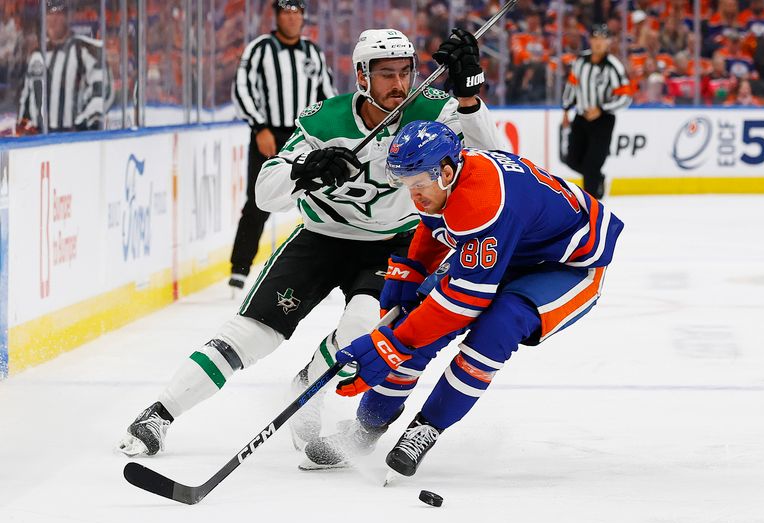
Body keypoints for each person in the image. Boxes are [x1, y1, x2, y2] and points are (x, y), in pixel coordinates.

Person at [118, 28, 505, 457]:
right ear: (362, 77)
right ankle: (160, 413)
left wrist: (470, 98)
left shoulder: (436, 110)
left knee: (360, 331)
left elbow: (497, 163)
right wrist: (305, 170)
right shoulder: (324, 121)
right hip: (321, 238)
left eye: (405, 72)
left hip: (392, 246)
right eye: (386, 74)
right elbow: (265, 192)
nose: (399, 85)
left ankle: (308, 385)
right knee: (250, 335)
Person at [301, 119, 624, 476]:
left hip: (568, 265)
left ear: (446, 171)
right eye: (406, 185)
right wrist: (408, 271)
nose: (415, 194)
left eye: (419, 184)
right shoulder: (438, 178)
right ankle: (364, 430)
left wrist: (389, 343)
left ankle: (427, 427)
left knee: (497, 329)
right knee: (412, 321)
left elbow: (462, 304)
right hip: (514, 245)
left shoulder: (482, 201)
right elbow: (431, 224)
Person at [228, 0, 335, 293]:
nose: (291, 18)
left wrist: (332, 130)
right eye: (285, 12)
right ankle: (239, 269)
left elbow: (327, 93)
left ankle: (327, 267)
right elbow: (242, 87)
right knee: (259, 200)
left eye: (296, 12)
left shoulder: (312, 53)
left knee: (322, 199)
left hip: (306, 134)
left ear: (303, 17)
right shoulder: (260, 49)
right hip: (269, 133)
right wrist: (259, 126)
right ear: (276, 16)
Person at [17, 0, 112, 134]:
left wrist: (84, 123)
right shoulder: (37, 55)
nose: (52, 20)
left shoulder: (85, 50)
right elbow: (26, 96)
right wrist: (23, 125)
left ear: (67, 18)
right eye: (48, 15)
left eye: (57, 14)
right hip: (38, 139)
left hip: (73, 138)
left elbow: (102, 91)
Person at [561, 23, 631, 199]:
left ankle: (592, 206)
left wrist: (602, 109)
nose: (599, 43)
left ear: (608, 42)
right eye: (595, 38)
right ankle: (598, 179)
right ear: (590, 40)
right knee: (572, 159)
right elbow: (572, 86)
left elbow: (625, 97)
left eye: (602, 39)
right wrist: (566, 109)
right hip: (581, 117)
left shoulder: (613, 66)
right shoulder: (580, 62)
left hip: (603, 121)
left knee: (592, 164)